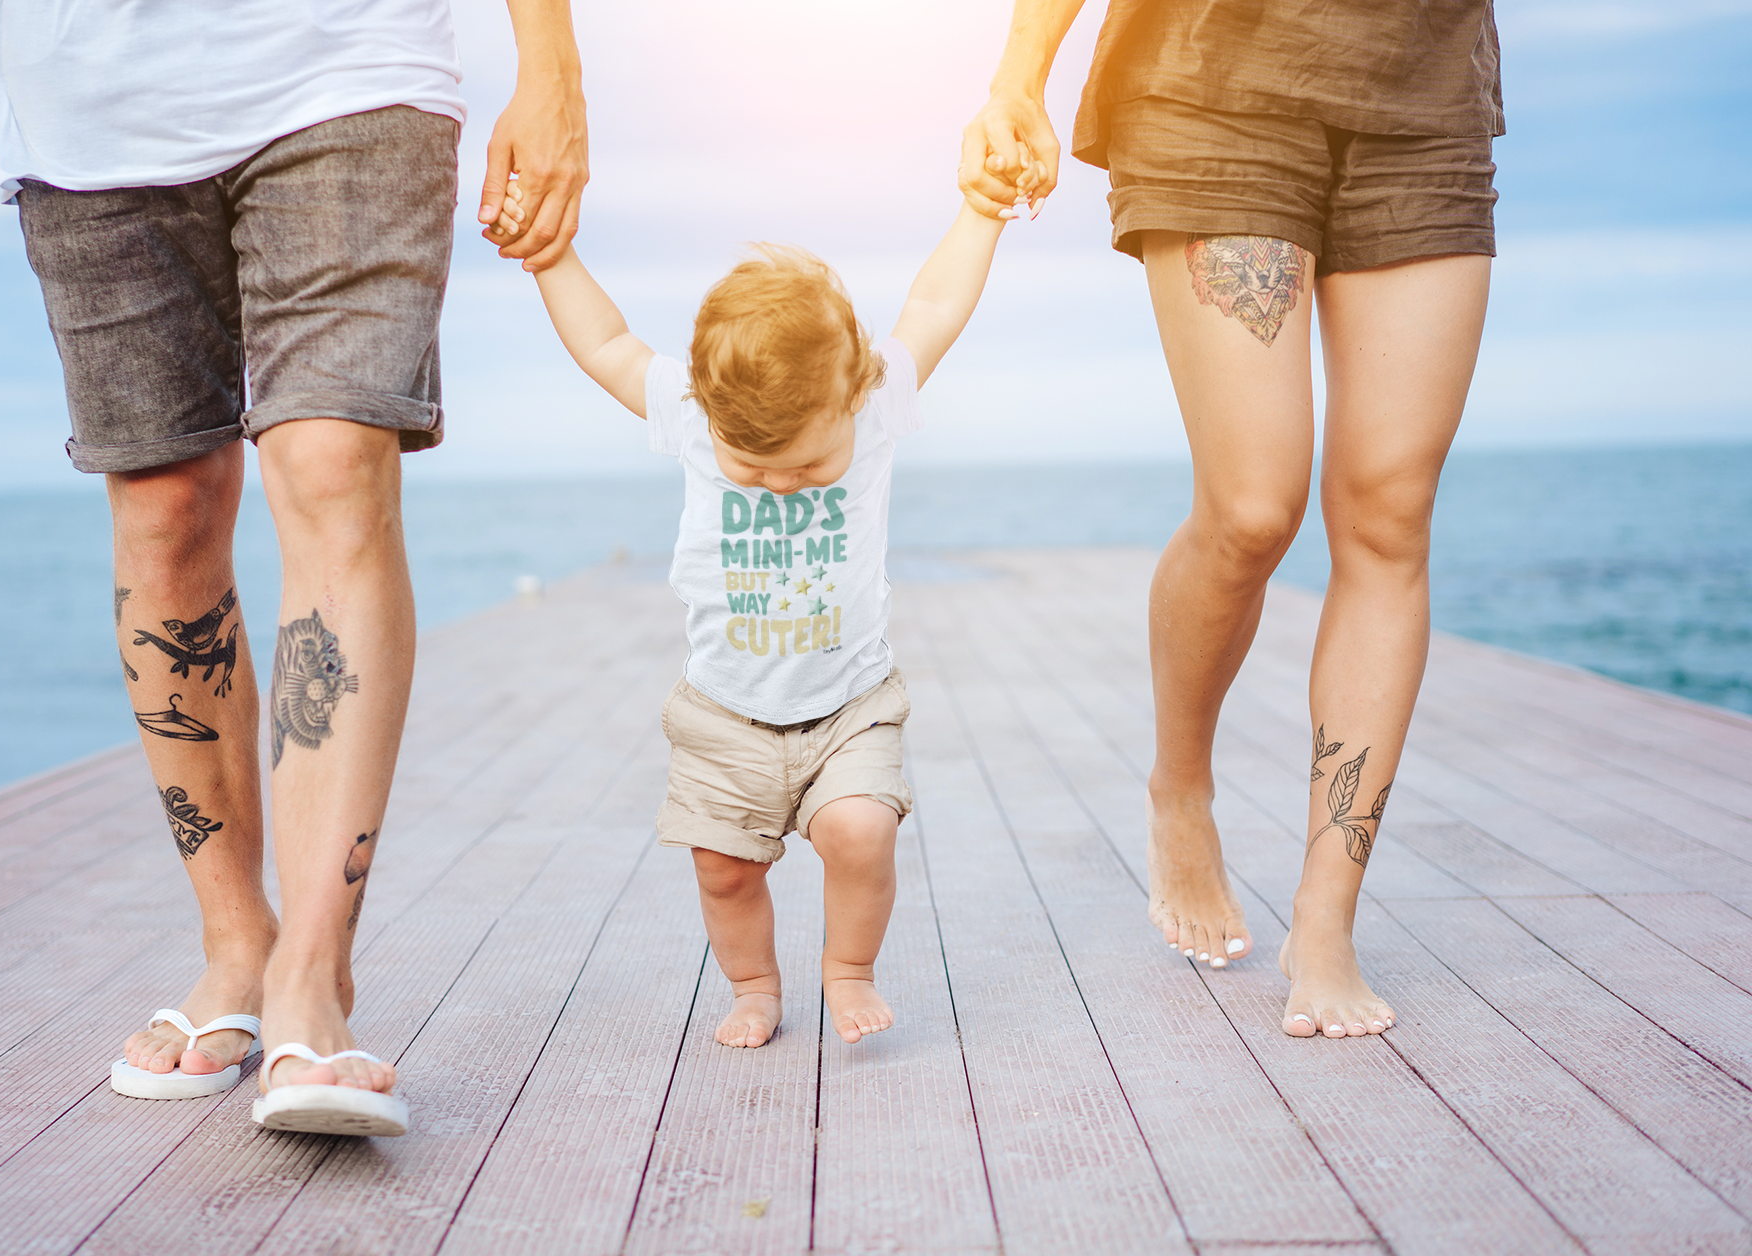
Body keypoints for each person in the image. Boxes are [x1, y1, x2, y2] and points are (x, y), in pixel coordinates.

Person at [0, 0, 588, 1134]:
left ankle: (313, 976)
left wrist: (550, 57)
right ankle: (239, 943)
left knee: (334, 464)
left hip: (349, 61)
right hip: (86, 102)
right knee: (166, 504)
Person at [960, 1, 1501, 1039]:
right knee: (1254, 507)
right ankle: (1181, 783)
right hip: (1213, 78)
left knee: (1390, 514)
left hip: (1422, 90)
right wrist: (1018, 75)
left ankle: (1326, 917)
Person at [514, 180, 1015, 1047]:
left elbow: (935, 302)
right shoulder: (694, 412)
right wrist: (551, 257)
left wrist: (983, 212)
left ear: (853, 395)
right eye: (756, 471)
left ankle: (849, 968)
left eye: (808, 467)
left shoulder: (874, 397)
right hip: (723, 715)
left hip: (849, 705)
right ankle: (754, 986)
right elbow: (605, 344)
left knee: (859, 832)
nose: (782, 484)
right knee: (724, 871)